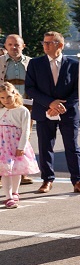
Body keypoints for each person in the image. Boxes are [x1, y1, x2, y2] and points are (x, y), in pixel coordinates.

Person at [25, 31, 80, 194]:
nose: (45, 46)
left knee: (72, 147)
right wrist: (50, 103)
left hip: (68, 112)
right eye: (44, 42)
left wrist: (62, 106)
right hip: (44, 111)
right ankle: (47, 180)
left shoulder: (74, 65)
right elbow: (30, 88)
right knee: (45, 147)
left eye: (49, 43)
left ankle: (78, 180)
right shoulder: (35, 64)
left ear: (60, 45)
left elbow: (79, 89)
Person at [1, 34, 34, 185]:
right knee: (2, 139)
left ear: (23, 46)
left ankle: (22, 171)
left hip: (25, 105)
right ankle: (2, 172)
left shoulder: (31, 63)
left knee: (25, 137)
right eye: (10, 44)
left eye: (17, 45)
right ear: (5, 46)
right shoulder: (0, 61)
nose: (13, 47)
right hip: (3, 105)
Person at [0, 82, 39, 208]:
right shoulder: (1, 110)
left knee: (16, 170)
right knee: (5, 171)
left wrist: (21, 147)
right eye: (2, 97)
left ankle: (15, 192)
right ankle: (8, 197)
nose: (6, 100)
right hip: (3, 146)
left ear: (15, 94)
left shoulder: (23, 111)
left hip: (16, 144)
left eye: (8, 96)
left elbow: (26, 130)